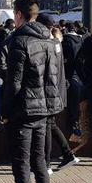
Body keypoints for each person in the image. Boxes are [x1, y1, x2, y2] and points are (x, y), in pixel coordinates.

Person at [0, 0, 61, 183]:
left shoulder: (19, 40)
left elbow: (14, 82)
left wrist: (4, 111)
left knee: (22, 167)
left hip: (24, 111)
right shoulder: (49, 39)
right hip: (45, 110)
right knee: (40, 164)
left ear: (19, 14)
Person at [37, 13, 77, 171]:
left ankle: (46, 164)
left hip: (51, 90)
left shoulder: (48, 43)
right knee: (50, 124)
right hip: (57, 89)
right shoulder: (56, 43)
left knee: (47, 126)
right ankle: (68, 155)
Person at [61, 22, 84, 136]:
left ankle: (73, 123)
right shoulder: (81, 40)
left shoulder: (65, 41)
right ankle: (75, 122)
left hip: (68, 74)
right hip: (78, 75)